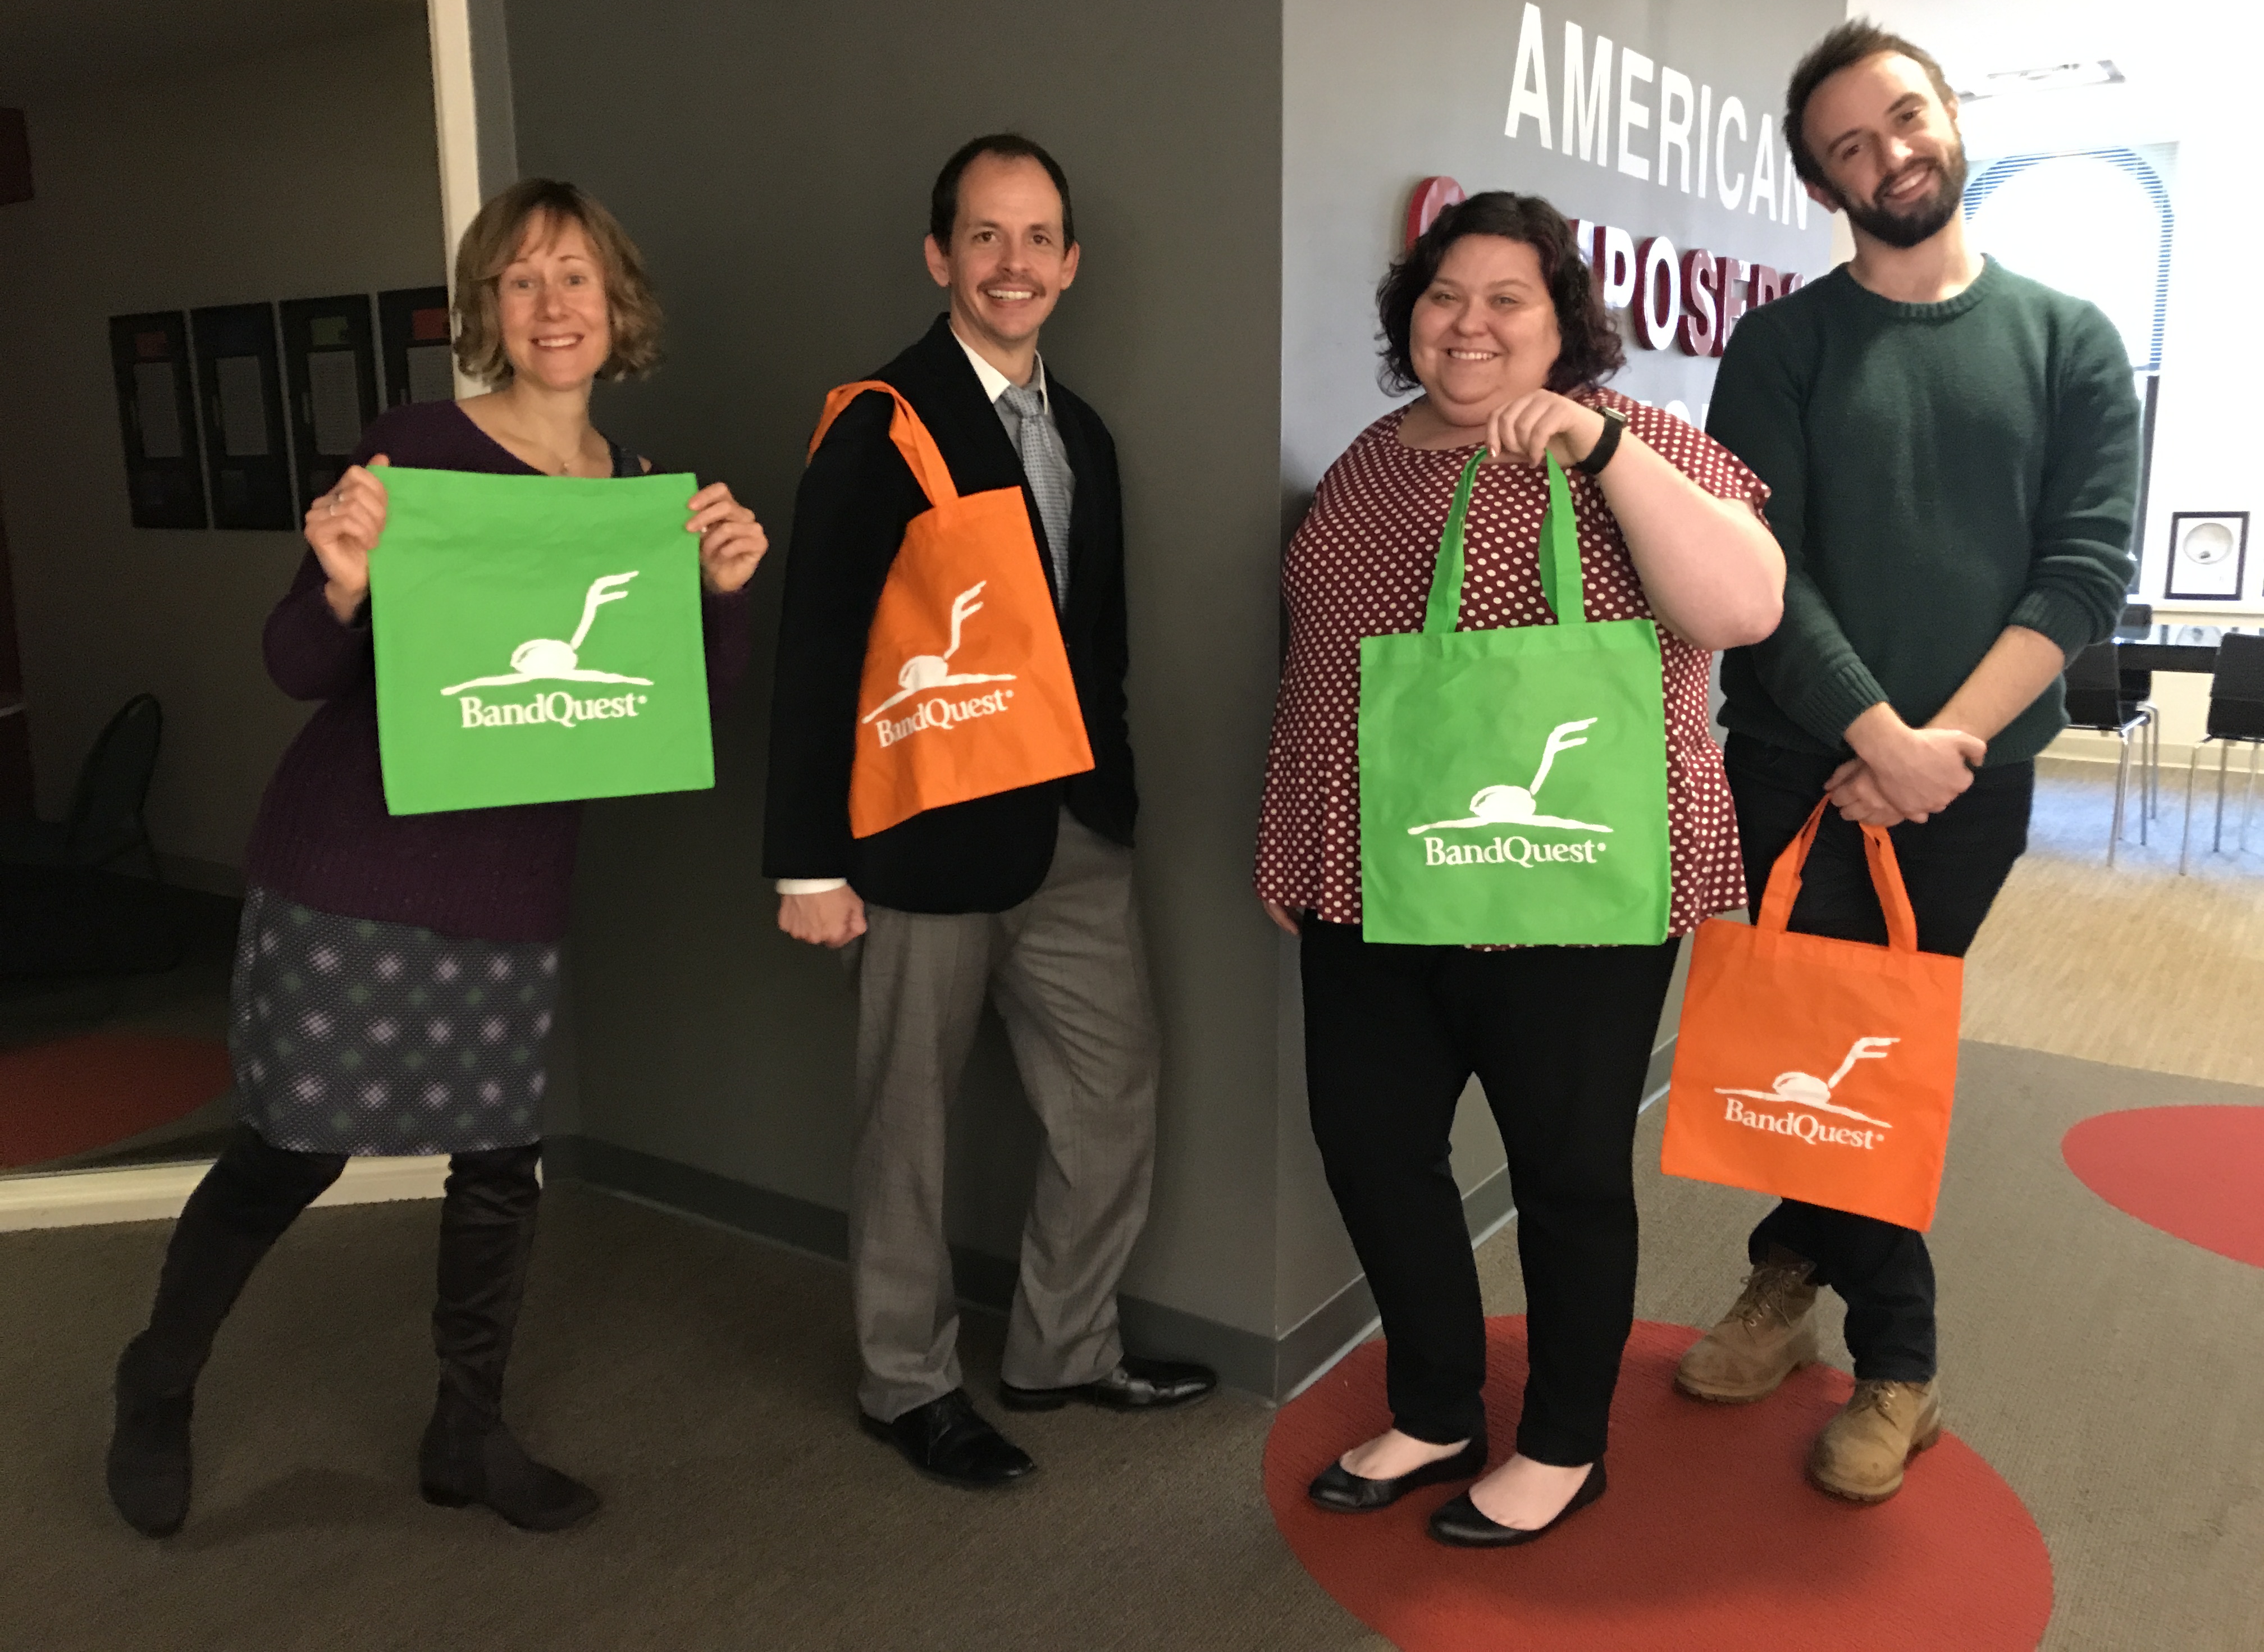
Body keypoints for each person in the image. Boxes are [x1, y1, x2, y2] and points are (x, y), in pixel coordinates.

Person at [103, 179, 767, 1539]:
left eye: (575, 277)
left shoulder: (644, 495)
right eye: (521, 280)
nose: (552, 304)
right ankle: (155, 1382)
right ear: (487, 311)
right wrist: (342, 580)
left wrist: (719, 596)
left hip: (512, 880)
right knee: (290, 1150)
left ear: (618, 305)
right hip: (352, 865)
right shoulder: (414, 451)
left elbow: (673, 704)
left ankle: (467, 1433)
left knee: (495, 1167)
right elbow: (297, 661)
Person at [1256, 191, 1783, 1547]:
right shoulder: (1369, 464)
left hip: (1571, 882)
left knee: (1562, 1171)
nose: (1471, 322)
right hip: (1377, 877)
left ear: (1564, 326)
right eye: (1445, 295)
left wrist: (1601, 449)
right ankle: (1437, 1408)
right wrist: (1289, 828)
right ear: (1408, 317)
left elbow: (1744, 607)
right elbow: (1321, 674)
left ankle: (1563, 1444)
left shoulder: (1641, 441)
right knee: (1371, 1147)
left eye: (1509, 299)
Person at [1681, 21, 2139, 1503]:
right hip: (1797, 764)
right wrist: (1873, 735)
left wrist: (1943, 749)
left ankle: (1857, 1326)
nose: (1890, 156)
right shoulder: (1783, 347)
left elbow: (2079, 579)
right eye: (1850, 148)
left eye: (1904, 119)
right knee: (1818, 1043)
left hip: (1968, 785)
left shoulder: (2070, 342)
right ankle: (1852, 1313)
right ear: (1825, 180)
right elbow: (1766, 576)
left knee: (1869, 1050)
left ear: (1950, 115)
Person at [764, 134, 1215, 1488]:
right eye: (984, 237)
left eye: (1037, 241)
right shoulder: (877, 424)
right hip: (919, 838)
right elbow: (819, 651)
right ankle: (905, 1384)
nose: (1011, 265)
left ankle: (1062, 1349)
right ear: (938, 255)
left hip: (1074, 834)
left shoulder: (1084, 433)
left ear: (1069, 265)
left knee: (1109, 1096)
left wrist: (1116, 798)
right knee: (908, 1125)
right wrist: (805, 867)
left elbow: (1100, 646)